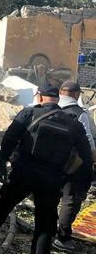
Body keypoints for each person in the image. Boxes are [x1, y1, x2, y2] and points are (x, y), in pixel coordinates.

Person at [0, 85, 93, 254]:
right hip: (52, 179)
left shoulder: (29, 113)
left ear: (40, 97)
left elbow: (10, 138)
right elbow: (86, 157)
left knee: (2, 208)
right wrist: (84, 183)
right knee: (45, 222)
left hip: (23, 173)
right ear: (57, 99)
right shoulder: (74, 124)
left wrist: (1, 162)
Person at [53, 81, 96, 252]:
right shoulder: (79, 114)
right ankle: (62, 238)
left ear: (61, 92)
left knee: (49, 198)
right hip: (72, 165)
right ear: (77, 95)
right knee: (70, 200)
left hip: (47, 163)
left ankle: (47, 232)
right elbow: (88, 143)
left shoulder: (47, 108)